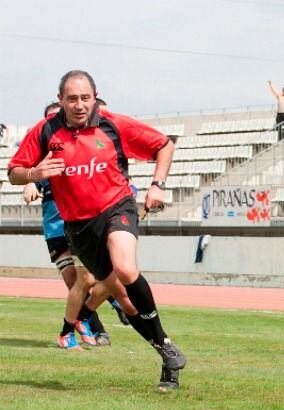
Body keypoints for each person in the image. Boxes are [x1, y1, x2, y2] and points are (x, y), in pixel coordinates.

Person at [8, 70, 186, 391]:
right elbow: (13, 173)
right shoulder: (47, 131)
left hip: (117, 207)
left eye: (85, 98)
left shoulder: (113, 124)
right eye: (72, 98)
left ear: (95, 97)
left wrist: (157, 185)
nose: (79, 105)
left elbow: (164, 145)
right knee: (125, 301)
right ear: (61, 100)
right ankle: (165, 351)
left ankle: (154, 346)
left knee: (125, 268)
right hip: (78, 226)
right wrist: (34, 172)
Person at [22, 101, 129, 349]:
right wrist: (30, 183)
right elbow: (32, 179)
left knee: (91, 280)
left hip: (80, 225)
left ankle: (113, 301)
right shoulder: (45, 159)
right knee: (77, 283)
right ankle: (95, 329)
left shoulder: (79, 151)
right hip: (55, 231)